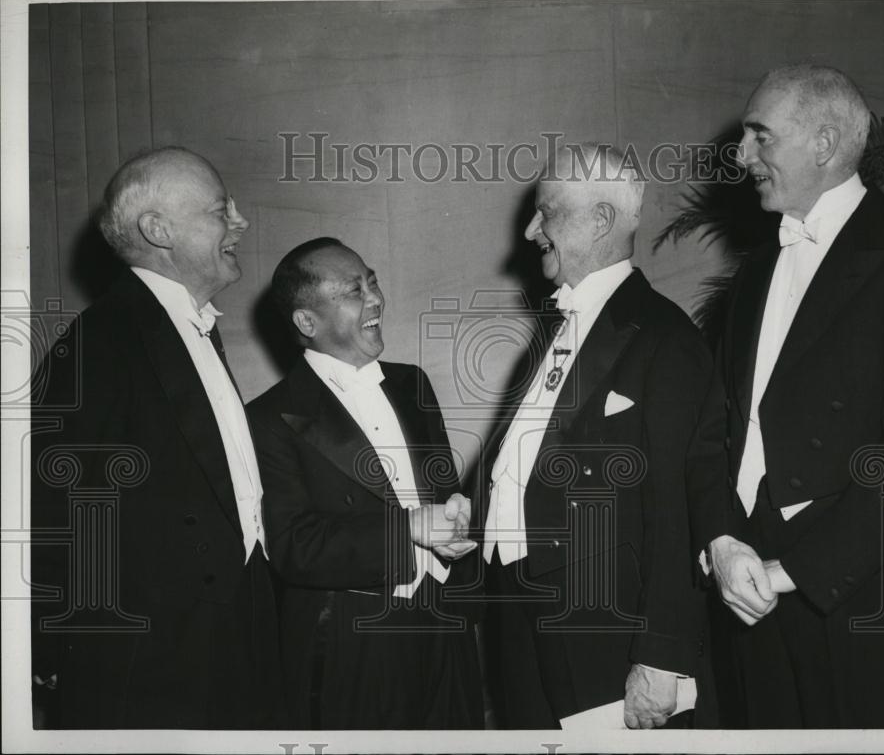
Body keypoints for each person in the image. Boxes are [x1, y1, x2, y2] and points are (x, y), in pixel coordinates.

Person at [693, 64, 884, 727]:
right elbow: (721, 427)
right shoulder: (758, 270)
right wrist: (724, 543)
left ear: (822, 144)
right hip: (751, 592)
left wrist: (793, 571)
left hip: (867, 596)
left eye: (761, 136)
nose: (741, 155)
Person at [31, 147, 283, 728]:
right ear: (157, 229)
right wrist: (53, 649)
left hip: (231, 635)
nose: (239, 222)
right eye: (221, 210)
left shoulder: (190, 327)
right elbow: (48, 505)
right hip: (149, 659)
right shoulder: (102, 340)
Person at [480, 143, 722, 729]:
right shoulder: (554, 332)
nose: (532, 229)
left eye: (548, 212)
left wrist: (662, 655)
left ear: (601, 220)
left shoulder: (666, 338)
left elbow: (677, 506)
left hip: (604, 630)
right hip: (518, 612)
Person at [247, 237, 484, 729]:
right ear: (306, 322)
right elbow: (295, 546)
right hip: (352, 645)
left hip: (443, 627)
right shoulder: (267, 419)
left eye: (372, 281)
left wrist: (455, 525)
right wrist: (410, 528)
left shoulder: (413, 384)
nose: (375, 298)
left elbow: (438, 495)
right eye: (353, 291)